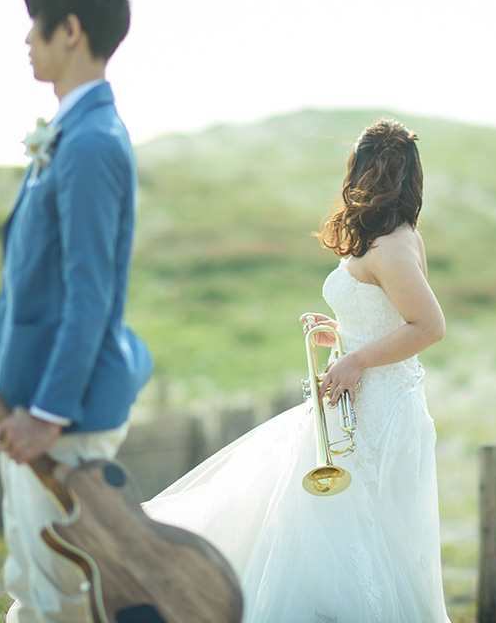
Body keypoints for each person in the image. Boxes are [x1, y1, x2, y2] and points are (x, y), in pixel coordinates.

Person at [143, 117, 450, 622]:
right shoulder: (384, 240)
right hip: (357, 402)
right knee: (331, 524)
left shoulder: (393, 244)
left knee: (365, 528)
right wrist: (337, 331)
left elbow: (428, 327)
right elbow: (386, 316)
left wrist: (354, 359)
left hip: (380, 410)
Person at [0, 0, 152, 623]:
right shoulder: (70, 133)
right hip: (34, 411)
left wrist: (48, 413)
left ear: (72, 31)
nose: (26, 40)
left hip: (64, 419)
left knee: (60, 599)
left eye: (37, 25)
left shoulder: (89, 145)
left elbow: (89, 293)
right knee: (33, 589)